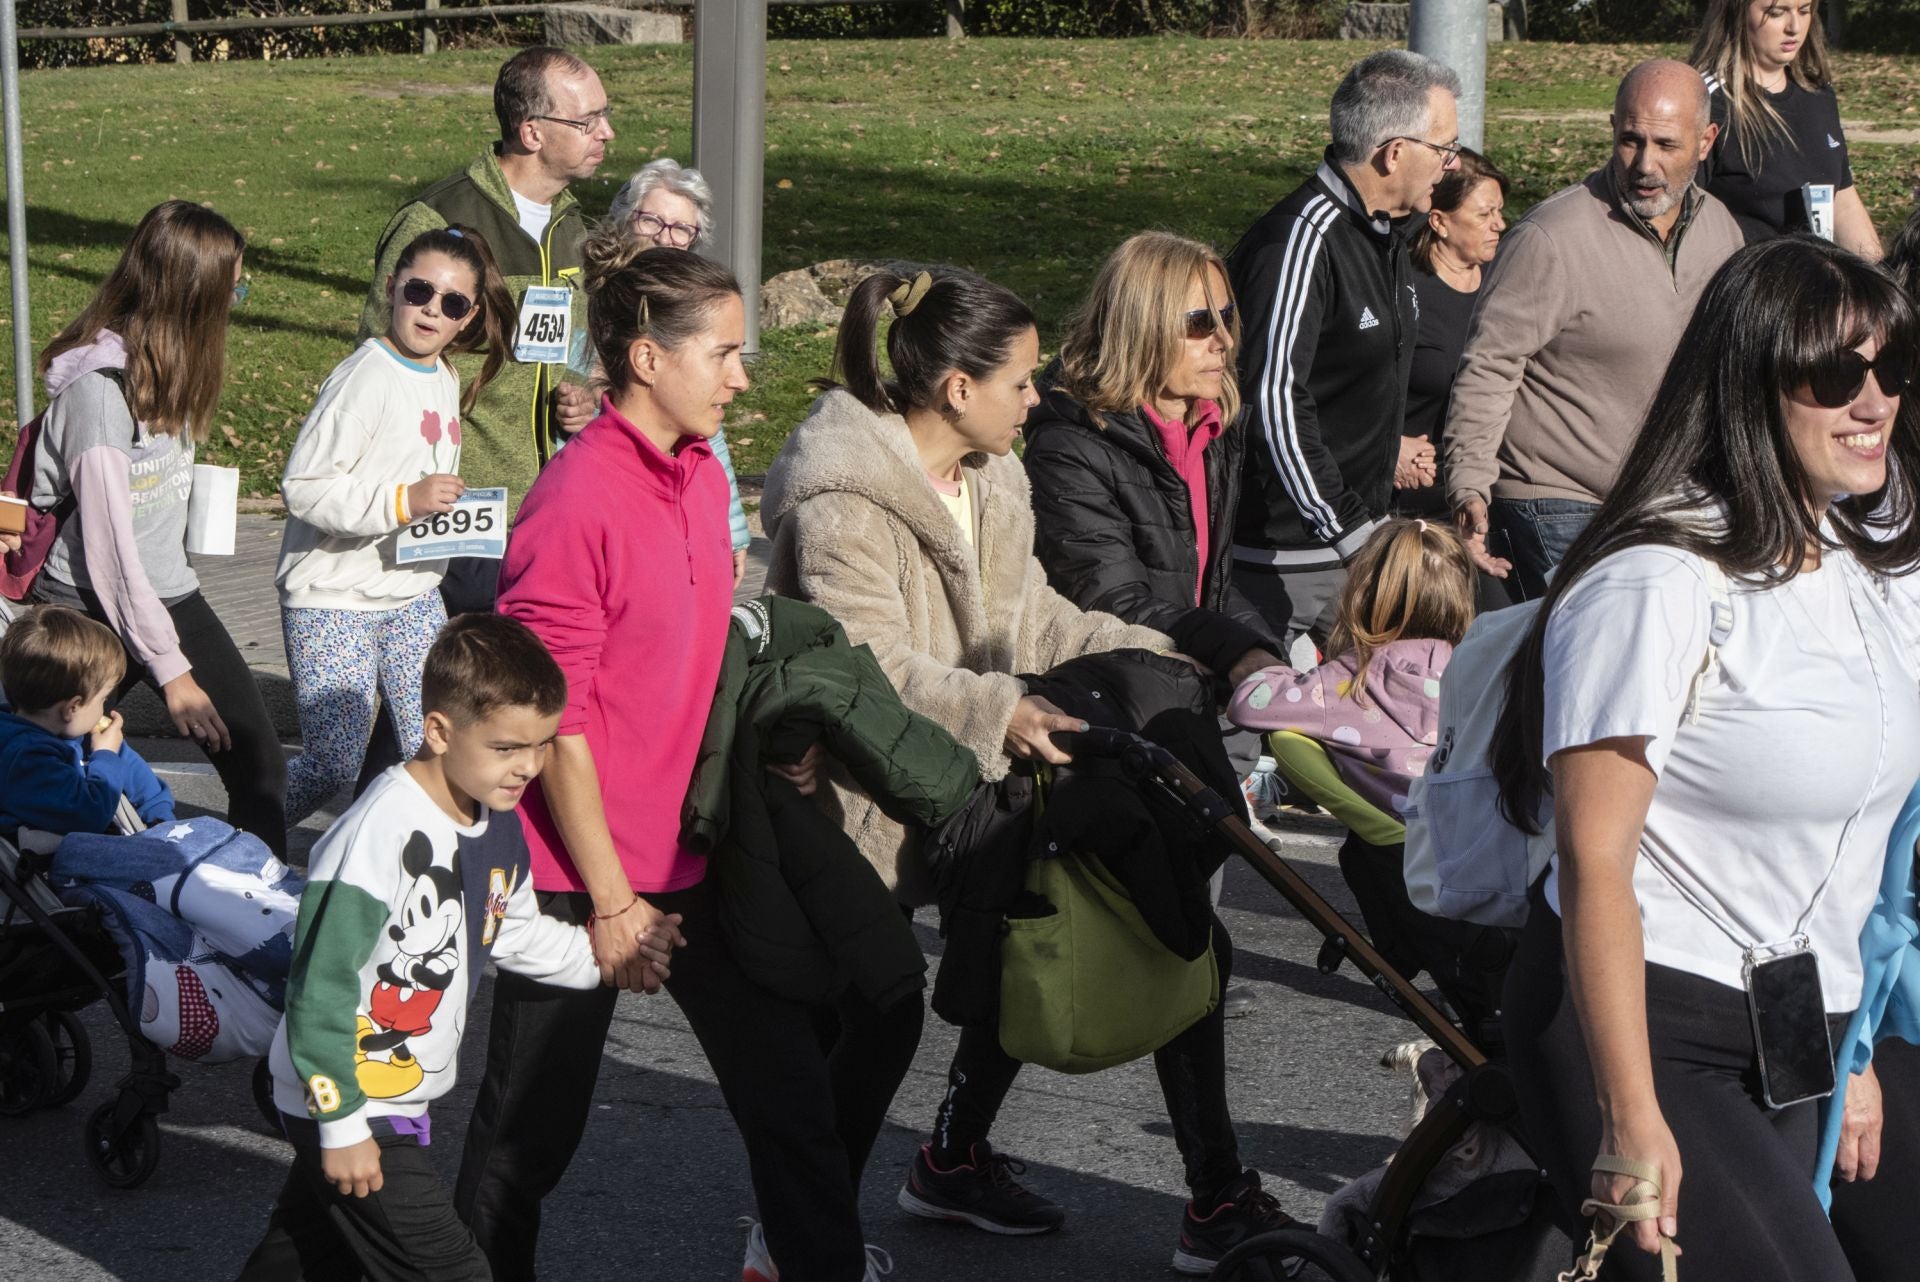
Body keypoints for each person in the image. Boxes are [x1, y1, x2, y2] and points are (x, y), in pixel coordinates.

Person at [762, 266, 1298, 1275]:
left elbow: (1037, 617)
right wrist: (999, 709)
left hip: (968, 783)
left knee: (1128, 906)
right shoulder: (843, 498)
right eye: (1019, 379)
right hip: (862, 804)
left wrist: (1154, 655)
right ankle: (799, 1240)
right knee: (855, 1037)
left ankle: (991, 1168)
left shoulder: (991, 476)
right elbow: (861, 663)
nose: (1037, 398)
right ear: (956, 389)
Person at [453, 239, 902, 1282]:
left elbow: (711, 654)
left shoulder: (705, 478)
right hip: (578, 873)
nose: (743, 376)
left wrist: (773, 743)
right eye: (725, 353)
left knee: (791, 1097)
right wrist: (613, 902)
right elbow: (543, 720)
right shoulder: (573, 499)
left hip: (695, 852)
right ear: (648, 359)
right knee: (528, 1138)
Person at [1493, 236, 1919, 1281]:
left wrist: (1848, 1051)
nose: (1874, 403)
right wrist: (1628, 1116)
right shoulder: (1658, 580)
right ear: (1748, 387)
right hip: (1647, 1017)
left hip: (1793, 1017)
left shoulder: (1865, 567)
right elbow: (1595, 865)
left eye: (1893, 367)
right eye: (1833, 376)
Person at [235, 613, 605, 1282]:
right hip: (346, 1098)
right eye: (506, 747)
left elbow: (512, 931)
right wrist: (342, 1125)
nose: (528, 766)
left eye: (543, 745)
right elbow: (319, 984)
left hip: (396, 1098)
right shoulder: (381, 829)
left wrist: (606, 959)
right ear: (437, 730)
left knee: (302, 1256)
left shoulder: (495, 820)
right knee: (454, 1270)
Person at [26, 200, 288, 858]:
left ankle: (257, 927)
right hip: (83, 611)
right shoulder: (99, 396)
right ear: (192, 295)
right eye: (234, 285)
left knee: (259, 768)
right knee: (47, 792)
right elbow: (111, 559)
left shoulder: (165, 372)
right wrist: (172, 675)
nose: (238, 298)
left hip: (166, 593)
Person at [1443, 61, 1745, 602]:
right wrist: (1469, 485)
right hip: (1558, 499)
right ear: (1612, 128)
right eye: (1630, 140)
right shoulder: (1550, 237)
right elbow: (1489, 364)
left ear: (1706, 141)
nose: (1645, 164)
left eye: (1666, 145)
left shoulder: (1722, 230)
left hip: (1668, 500)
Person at [358, 45, 612, 616]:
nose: (607, 132)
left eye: (603, 115)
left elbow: (579, 347)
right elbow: (379, 352)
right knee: (446, 677)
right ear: (532, 132)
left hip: (550, 502)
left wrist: (585, 392)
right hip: (460, 501)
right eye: (586, 120)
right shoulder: (437, 220)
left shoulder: (575, 227)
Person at [1227, 49, 1462, 652]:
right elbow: (1272, 401)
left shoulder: (1386, 234)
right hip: (1285, 556)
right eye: (1444, 149)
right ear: (1394, 152)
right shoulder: (1301, 241)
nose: (1450, 167)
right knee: (1250, 734)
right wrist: (1354, 536)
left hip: (1357, 542)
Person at [277, 227, 513, 825]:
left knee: (434, 742)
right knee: (334, 761)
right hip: (333, 598)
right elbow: (304, 487)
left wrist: (457, 520)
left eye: (453, 303)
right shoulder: (364, 377)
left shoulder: (444, 377)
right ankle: (245, 825)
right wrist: (404, 502)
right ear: (392, 289)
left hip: (411, 594)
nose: (433, 309)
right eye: (420, 291)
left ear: (469, 317)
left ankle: (401, 864)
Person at [1225, 518, 1481, 1011]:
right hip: (1483, 836)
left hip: (1407, 848)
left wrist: (1273, 669)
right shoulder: (1481, 672)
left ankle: (1403, 947)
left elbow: (1250, 705)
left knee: (1360, 853)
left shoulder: (1347, 682)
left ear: (1361, 594)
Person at [1025, 231, 1282, 693]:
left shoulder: (1209, 422)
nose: (1223, 339)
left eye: (1226, 315)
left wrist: (1263, 652)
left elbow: (1207, 578)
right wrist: (1237, 650)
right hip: (1111, 691)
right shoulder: (1070, 446)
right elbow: (1109, 601)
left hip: (1186, 672)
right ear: (1142, 326)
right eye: (1200, 322)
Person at [554, 157, 753, 585]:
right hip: (592, 498)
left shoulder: (687, 312)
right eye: (652, 221)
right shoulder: (582, 298)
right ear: (625, 220)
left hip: (668, 495)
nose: (665, 238)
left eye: (681, 229)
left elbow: (708, 432)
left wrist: (733, 530)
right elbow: (553, 376)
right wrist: (574, 398)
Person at [1691, 0, 1883, 256]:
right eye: (1776, 13)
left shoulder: (1818, 93)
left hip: (1816, 286)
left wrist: (1882, 284)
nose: (1794, 27)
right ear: (1736, 13)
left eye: (1804, 11)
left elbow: (1843, 203)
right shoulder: (1705, 102)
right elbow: (1674, 218)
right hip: (1748, 287)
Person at [1397, 148, 1508, 522]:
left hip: (1493, 488)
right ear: (1440, 222)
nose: (1500, 225)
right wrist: (1389, 448)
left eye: (1499, 211)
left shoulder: (1506, 283)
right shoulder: (1404, 292)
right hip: (1413, 497)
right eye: (1484, 214)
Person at [0, 605, 173, 835]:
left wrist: (163, 820)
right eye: (103, 698)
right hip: (51, 863)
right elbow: (87, 817)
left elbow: (135, 773)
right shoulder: (26, 758)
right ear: (72, 708)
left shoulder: (79, 732)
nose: (104, 707)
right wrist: (106, 756)